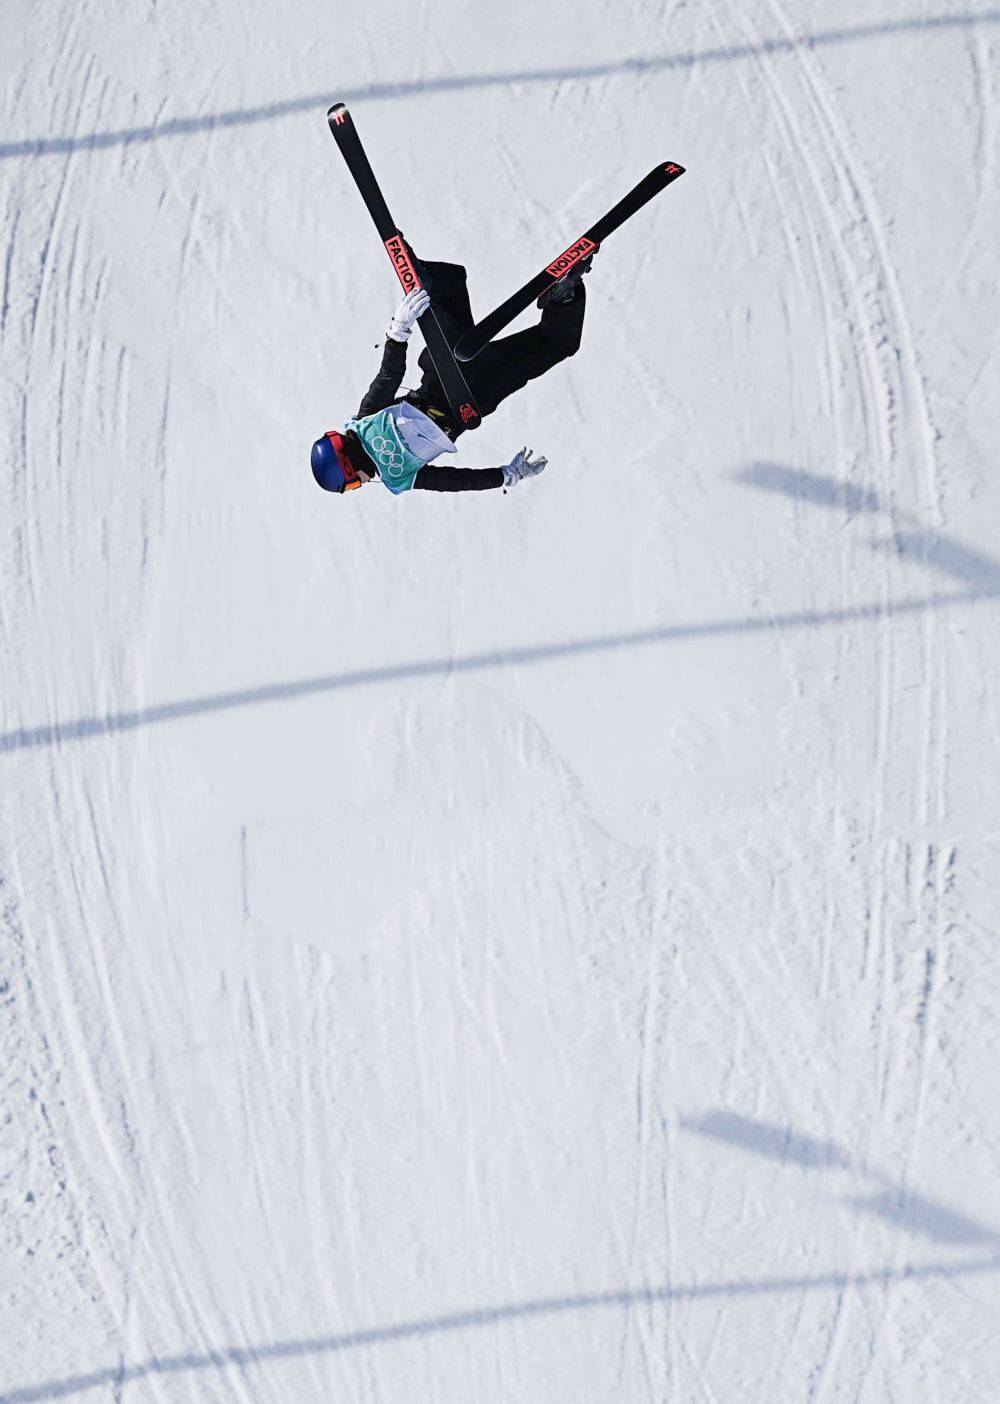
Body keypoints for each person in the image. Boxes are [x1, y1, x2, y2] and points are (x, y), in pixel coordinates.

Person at [310, 253, 592, 496]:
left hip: (476, 394)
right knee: (452, 283)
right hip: (443, 363)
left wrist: (506, 475)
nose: (361, 484)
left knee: (555, 343)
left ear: (346, 466)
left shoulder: (398, 478)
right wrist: (398, 332)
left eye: (351, 485)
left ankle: (564, 297)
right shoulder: (365, 419)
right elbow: (389, 376)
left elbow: (452, 482)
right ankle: (424, 277)